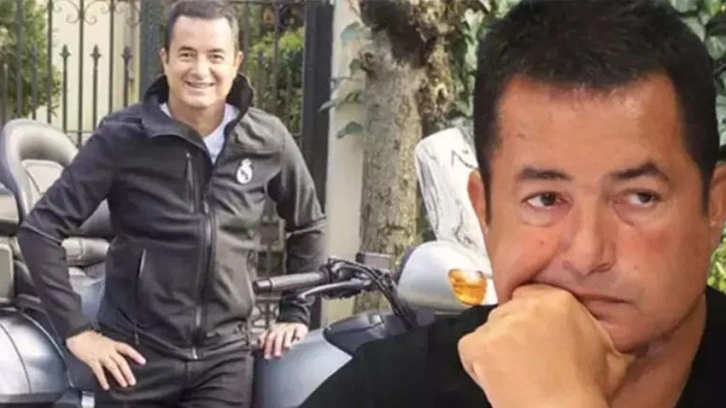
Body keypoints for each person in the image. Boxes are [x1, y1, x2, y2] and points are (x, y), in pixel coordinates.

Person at [300, 0, 726, 407]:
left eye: (640, 197)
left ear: (715, 207)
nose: (587, 254)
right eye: (545, 199)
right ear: (484, 212)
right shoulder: (383, 394)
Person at [15, 0, 326, 406]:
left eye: (215, 56)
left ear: (236, 63)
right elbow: (39, 231)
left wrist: (295, 313)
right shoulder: (122, 137)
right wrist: (77, 332)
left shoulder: (267, 138)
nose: (201, 70)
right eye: (186, 54)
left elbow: (308, 225)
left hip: (224, 362)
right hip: (134, 360)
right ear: (165, 59)